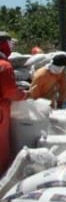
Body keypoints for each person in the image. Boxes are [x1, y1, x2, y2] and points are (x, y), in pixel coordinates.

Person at [0, 31, 27, 174]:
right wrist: (23, 95)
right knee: (1, 144)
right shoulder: (4, 66)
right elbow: (10, 92)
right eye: (9, 43)